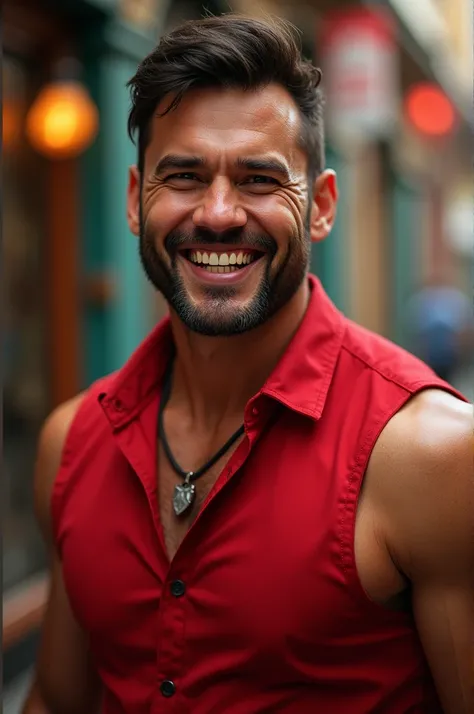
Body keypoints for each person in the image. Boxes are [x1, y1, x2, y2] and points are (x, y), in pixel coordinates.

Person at [22, 14, 473, 714]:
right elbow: (55, 698)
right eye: (184, 176)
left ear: (321, 206)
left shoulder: (430, 455)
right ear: (136, 199)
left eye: (260, 180)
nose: (220, 213)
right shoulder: (72, 443)